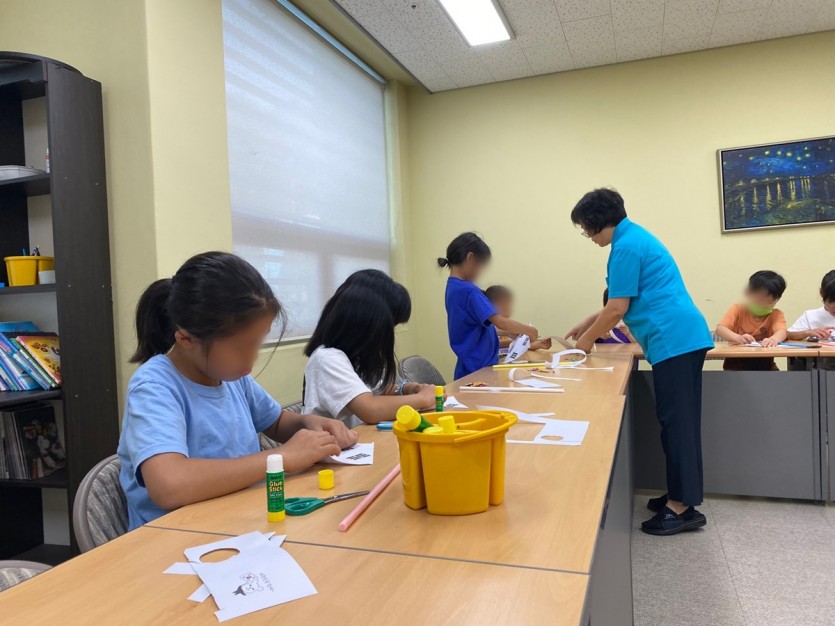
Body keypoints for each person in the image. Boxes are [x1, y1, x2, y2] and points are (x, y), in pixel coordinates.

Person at [117, 252, 357, 530]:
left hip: (241, 522)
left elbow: (276, 422)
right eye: (241, 346)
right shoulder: (155, 386)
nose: (252, 357)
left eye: (257, 342)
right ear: (186, 339)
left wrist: (309, 424)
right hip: (176, 536)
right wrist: (282, 458)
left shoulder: (230, 376)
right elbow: (169, 485)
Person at [565, 189, 713, 536]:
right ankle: (680, 495)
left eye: (585, 228)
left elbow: (618, 307)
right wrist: (588, 323)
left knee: (677, 425)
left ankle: (682, 507)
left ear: (597, 221)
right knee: (680, 422)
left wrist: (585, 342)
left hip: (674, 339)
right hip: (680, 337)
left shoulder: (626, 247)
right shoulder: (633, 238)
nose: (587, 235)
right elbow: (620, 300)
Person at [303, 269, 436, 427]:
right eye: (389, 328)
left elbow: (377, 389)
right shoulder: (327, 359)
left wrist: (406, 388)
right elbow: (371, 409)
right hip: (337, 443)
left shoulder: (356, 356)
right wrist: (423, 398)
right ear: (367, 324)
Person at [438, 233, 539, 379]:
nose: (480, 273)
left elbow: (474, 328)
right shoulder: (469, 290)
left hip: (468, 369)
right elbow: (500, 321)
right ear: (470, 258)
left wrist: (507, 332)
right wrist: (530, 331)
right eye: (481, 266)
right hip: (479, 370)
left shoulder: (452, 288)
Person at [715, 270, 787, 371]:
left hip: (765, 366)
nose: (763, 306)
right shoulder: (738, 309)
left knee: (781, 379)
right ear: (748, 293)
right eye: (759, 301)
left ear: (778, 299)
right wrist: (738, 338)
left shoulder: (776, 314)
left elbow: (782, 332)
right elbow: (720, 329)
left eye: (769, 303)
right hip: (735, 366)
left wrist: (774, 339)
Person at [787, 269, 835, 370]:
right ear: (821, 293)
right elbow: (788, 335)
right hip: (820, 368)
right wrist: (807, 332)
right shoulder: (811, 316)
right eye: (831, 302)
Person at [484, 285, 553, 352]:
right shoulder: (485, 324)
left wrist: (527, 344)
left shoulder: (492, 327)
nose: (508, 310)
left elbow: (495, 343)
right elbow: (492, 343)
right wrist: (529, 333)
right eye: (504, 305)